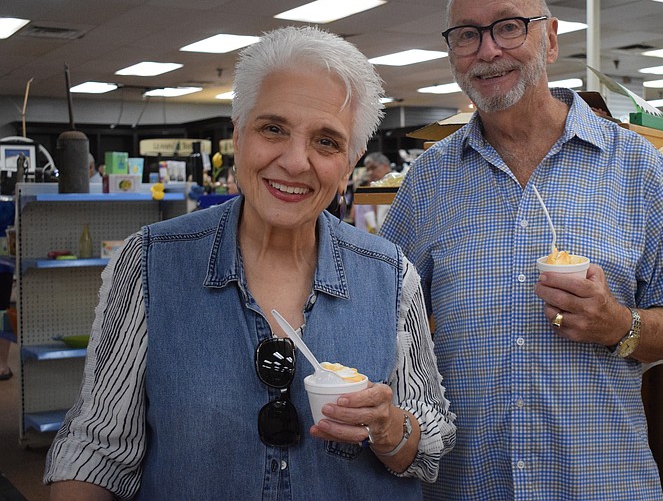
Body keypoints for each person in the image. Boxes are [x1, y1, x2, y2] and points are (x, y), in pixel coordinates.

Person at [44, 26, 455, 500]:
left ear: (350, 163)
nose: (296, 161)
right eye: (273, 129)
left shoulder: (389, 275)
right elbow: (96, 451)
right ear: (238, 136)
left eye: (326, 141)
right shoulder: (151, 263)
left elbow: (426, 448)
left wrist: (388, 429)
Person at [380, 0, 663, 501]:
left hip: (602, 482)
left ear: (550, 38)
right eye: (466, 34)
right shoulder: (428, 182)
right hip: (469, 483)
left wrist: (619, 324)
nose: (488, 50)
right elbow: (385, 318)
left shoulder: (635, 167)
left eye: (509, 27)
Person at [353, 152, 392, 233]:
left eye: (373, 168)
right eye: (367, 169)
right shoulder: (368, 187)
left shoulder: (395, 184)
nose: (370, 173)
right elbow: (353, 216)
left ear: (386, 167)